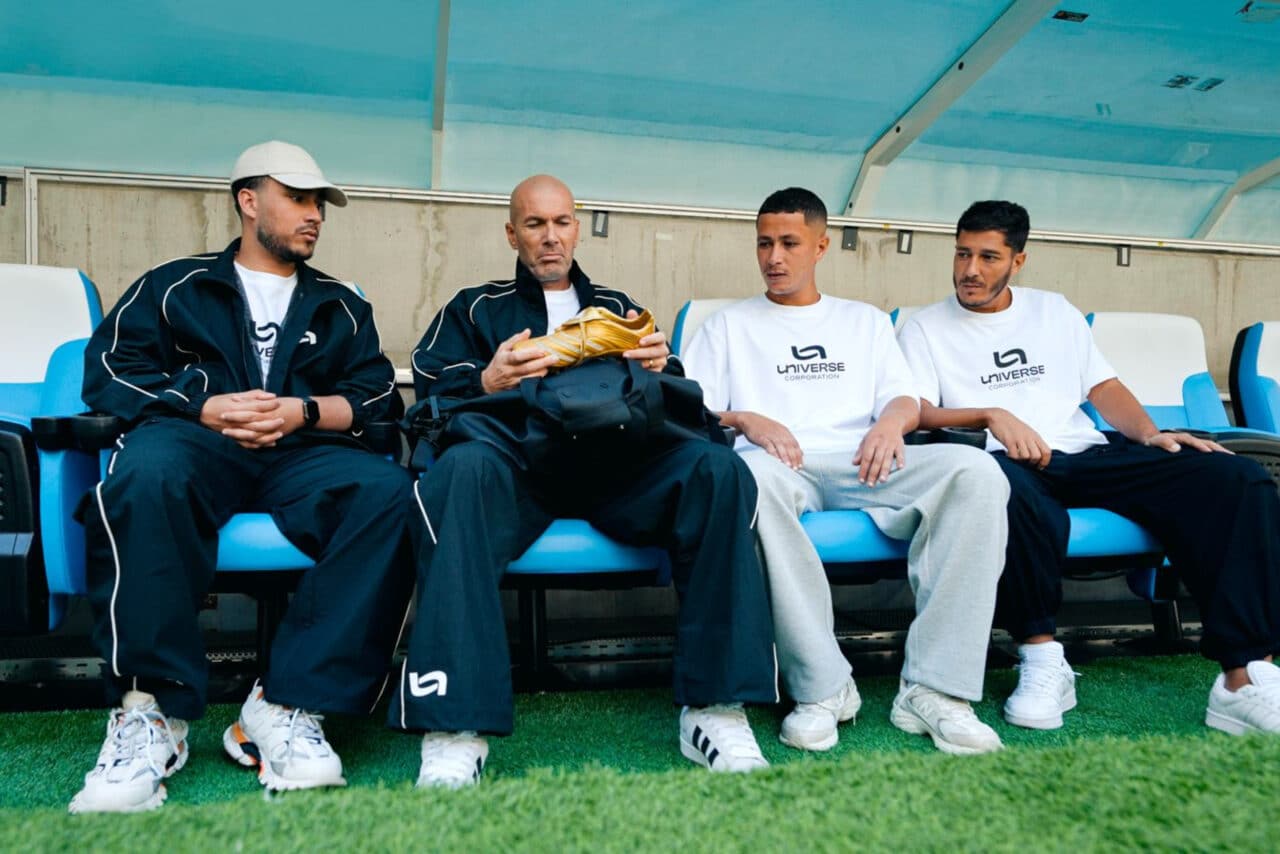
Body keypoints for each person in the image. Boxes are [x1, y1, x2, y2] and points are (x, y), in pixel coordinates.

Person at [393, 174, 777, 787]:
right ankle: (455, 725)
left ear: (577, 226)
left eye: (562, 222)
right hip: (517, 469)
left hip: (618, 469)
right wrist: (490, 380)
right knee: (460, 473)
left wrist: (659, 364)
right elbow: (430, 396)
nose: (551, 238)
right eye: (536, 224)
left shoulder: (619, 307)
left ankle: (715, 708)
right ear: (512, 232)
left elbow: (672, 396)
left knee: (718, 470)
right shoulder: (474, 308)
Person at [70, 141, 414, 813]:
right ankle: (152, 714)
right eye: (298, 198)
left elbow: (377, 401)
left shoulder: (341, 305)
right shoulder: (173, 285)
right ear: (248, 201)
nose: (313, 214)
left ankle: (286, 702)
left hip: (301, 454)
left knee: (390, 495)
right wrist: (202, 405)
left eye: (319, 203)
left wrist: (302, 411)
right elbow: (108, 372)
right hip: (199, 441)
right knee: (146, 473)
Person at [897, 199, 1280, 733]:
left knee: (1236, 480)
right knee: (1001, 485)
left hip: (1086, 451)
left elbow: (1103, 386)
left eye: (988, 257)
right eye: (962, 254)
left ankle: (1244, 675)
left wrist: (1151, 434)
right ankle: (1042, 659)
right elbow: (916, 411)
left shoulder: (1054, 310)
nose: (970, 270)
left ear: (1018, 260)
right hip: (1003, 461)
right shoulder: (924, 328)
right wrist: (991, 415)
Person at [682, 187, 1009, 755]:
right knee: (749, 481)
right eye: (764, 244)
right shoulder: (727, 325)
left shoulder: (863, 321)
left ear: (821, 246)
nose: (774, 258)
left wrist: (889, 425)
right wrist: (744, 418)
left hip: (868, 462)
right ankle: (824, 690)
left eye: (789, 243)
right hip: (781, 466)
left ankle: (935, 690)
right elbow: (694, 411)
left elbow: (904, 398)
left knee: (976, 472)